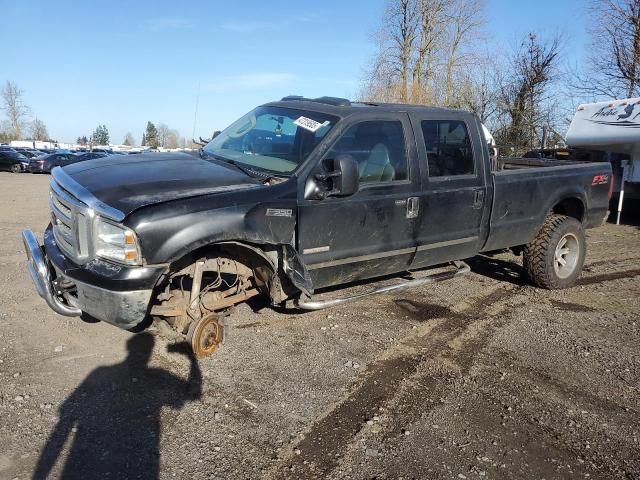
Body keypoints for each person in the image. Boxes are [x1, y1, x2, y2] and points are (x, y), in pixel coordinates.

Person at [33, 333, 202, 479]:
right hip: (138, 459)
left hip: (87, 459)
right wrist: (191, 359)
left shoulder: (99, 372)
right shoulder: (158, 374)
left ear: (128, 348)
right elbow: (193, 395)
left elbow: (65, 419)